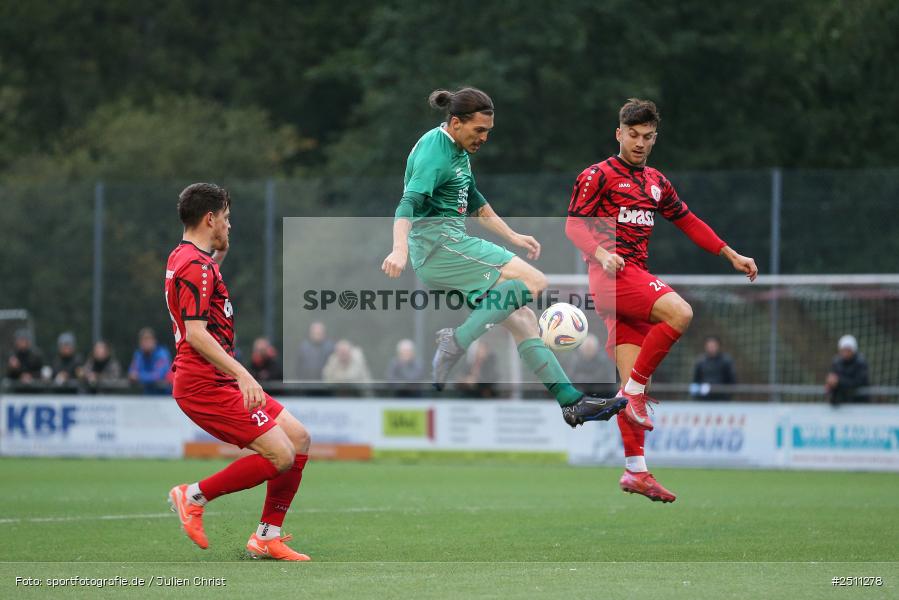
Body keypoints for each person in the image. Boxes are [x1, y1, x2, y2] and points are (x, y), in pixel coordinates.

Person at [381, 87, 624, 427]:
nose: (484, 138)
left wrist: (513, 236)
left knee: (523, 319)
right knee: (534, 281)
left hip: (446, 250)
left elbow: (476, 202)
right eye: (479, 130)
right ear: (455, 123)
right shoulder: (434, 153)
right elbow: (407, 203)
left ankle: (571, 402)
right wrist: (399, 248)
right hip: (441, 247)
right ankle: (456, 340)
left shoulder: (457, 150)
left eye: (488, 131)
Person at [565, 98, 758, 503]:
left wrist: (729, 253)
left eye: (647, 136)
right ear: (619, 134)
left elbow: (687, 220)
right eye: (633, 135)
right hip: (611, 277)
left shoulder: (656, 181)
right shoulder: (598, 175)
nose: (639, 143)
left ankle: (636, 471)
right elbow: (573, 226)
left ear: (655, 138)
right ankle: (633, 394)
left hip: (631, 280)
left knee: (632, 381)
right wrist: (601, 253)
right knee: (680, 312)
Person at [164, 182, 313, 561]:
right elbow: (196, 333)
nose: (229, 225)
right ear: (209, 219)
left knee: (298, 438)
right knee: (280, 455)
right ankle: (192, 496)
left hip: (216, 377)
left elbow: (200, 291)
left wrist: (219, 257)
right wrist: (243, 373)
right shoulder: (194, 266)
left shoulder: (189, 259)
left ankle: (266, 537)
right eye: (226, 218)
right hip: (204, 383)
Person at [825, 334, 870, 405]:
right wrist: (830, 383)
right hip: (840, 404)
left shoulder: (860, 363)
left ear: (853, 350)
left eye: (848, 350)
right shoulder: (836, 362)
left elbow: (859, 382)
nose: (845, 353)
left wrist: (838, 382)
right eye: (843, 350)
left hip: (859, 403)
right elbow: (832, 380)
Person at [128, 327, 173, 394]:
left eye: (148, 339)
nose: (145, 343)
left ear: (154, 341)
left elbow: (158, 375)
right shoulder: (139, 354)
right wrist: (137, 376)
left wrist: (139, 376)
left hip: (165, 396)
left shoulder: (162, 354)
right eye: (143, 340)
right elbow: (132, 373)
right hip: (147, 396)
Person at [691, 335, 736, 401]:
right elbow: (696, 380)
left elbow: (732, 380)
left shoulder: (726, 361)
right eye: (709, 346)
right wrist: (696, 394)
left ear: (718, 346)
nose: (711, 348)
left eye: (713, 346)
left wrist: (727, 395)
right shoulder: (700, 361)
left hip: (722, 399)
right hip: (703, 399)